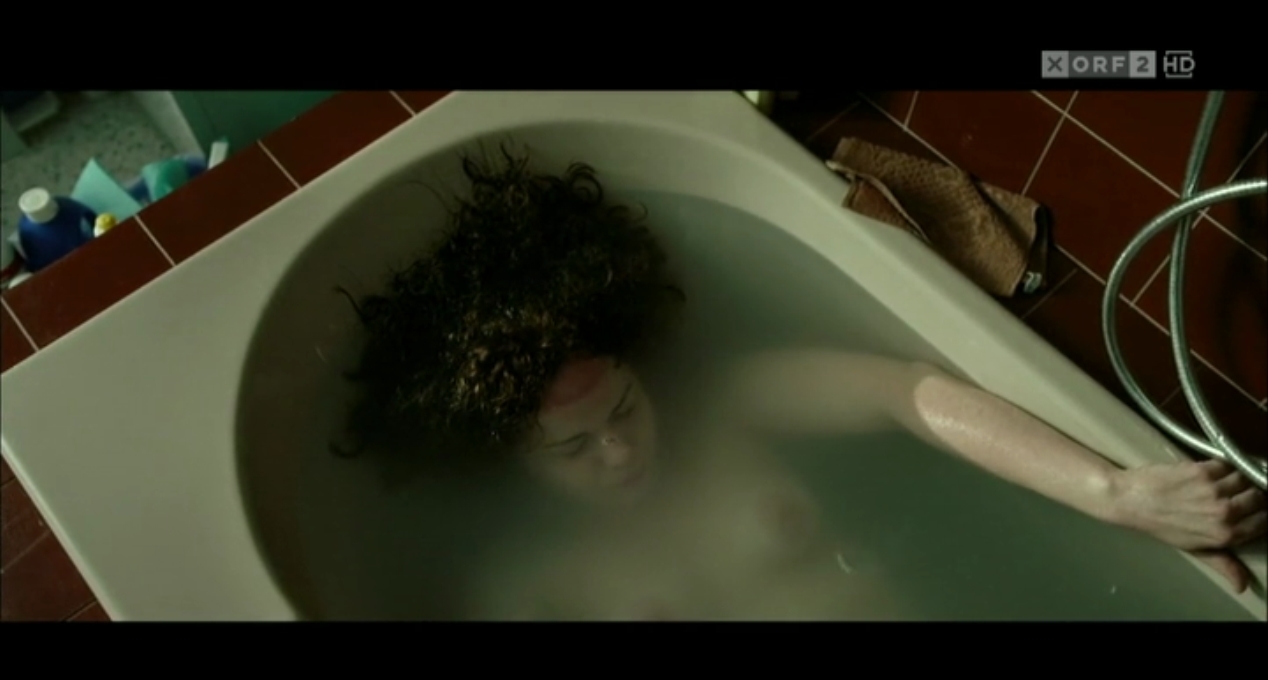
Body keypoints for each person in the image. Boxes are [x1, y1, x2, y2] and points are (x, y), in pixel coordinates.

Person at [334, 146, 1267, 619]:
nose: (619, 448)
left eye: (624, 407)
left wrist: (1117, 494)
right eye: (573, 447)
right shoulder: (528, 582)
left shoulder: (723, 407)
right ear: (504, 459)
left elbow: (905, 391)